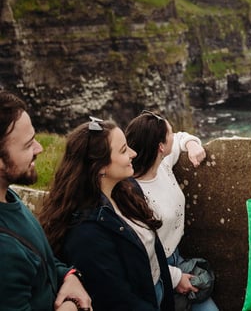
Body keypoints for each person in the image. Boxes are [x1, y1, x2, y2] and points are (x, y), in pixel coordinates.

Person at [39, 117, 175, 311]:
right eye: (123, 150)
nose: (133, 153)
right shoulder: (86, 232)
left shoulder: (125, 189)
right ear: (100, 167)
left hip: (155, 290)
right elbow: (117, 299)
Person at [0, 91, 92, 311]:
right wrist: (71, 306)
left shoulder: (9, 197)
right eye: (28, 144)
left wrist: (70, 276)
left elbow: (42, 261)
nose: (39, 148)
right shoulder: (4, 252)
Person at [125, 110, 219, 311]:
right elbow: (138, 256)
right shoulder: (132, 194)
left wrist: (192, 145)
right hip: (156, 267)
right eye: (169, 133)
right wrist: (175, 278)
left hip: (176, 256)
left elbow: (181, 138)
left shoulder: (161, 163)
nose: (173, 135)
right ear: (160, 147)